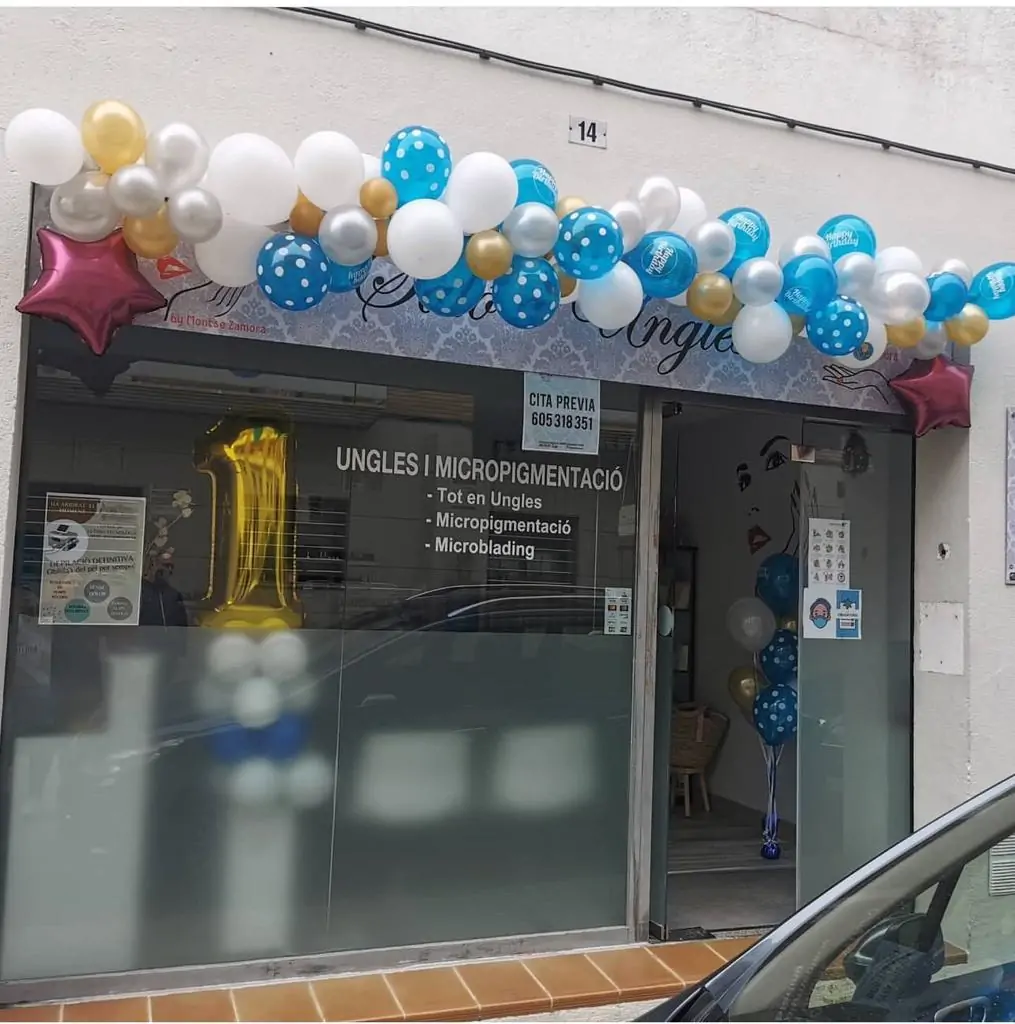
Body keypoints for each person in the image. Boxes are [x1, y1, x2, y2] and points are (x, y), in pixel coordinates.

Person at [139, 548, 189, 627]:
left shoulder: (173, 595)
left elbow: (182, 624)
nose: (168, 570)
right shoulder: (140, 591)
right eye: (166, 565)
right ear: (153, 565)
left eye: (171, 567)